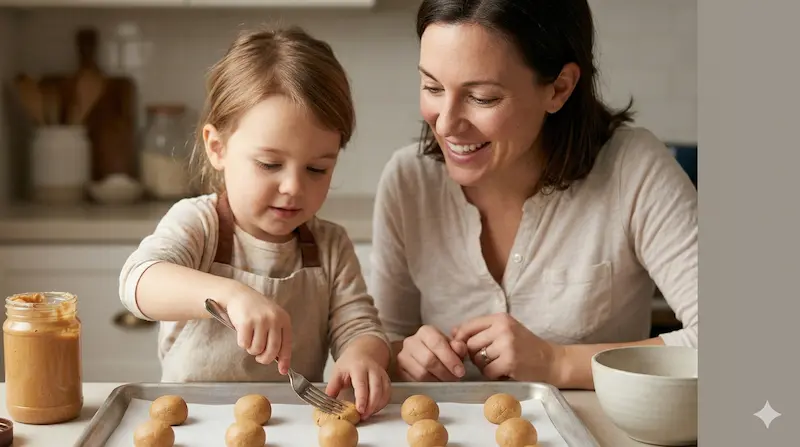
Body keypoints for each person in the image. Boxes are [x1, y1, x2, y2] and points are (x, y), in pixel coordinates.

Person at [371, 0, 698, 389]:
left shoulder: (634, 169)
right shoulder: (409, 181)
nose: (446, 123)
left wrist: (558, 363)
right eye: (432, 87)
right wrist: (400, 357)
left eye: (482, 97)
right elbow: (385, 340)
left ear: (559, 88)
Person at [118, 26, 391, 418]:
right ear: (218, 148)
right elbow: (138, 281)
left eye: (317, 168)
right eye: (269, 164)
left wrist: (363, 357)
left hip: (289, 428)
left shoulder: (331, 246)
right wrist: (231, 295)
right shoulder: (200, 224)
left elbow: (360, 326)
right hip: (194, 424)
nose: (293, 187)